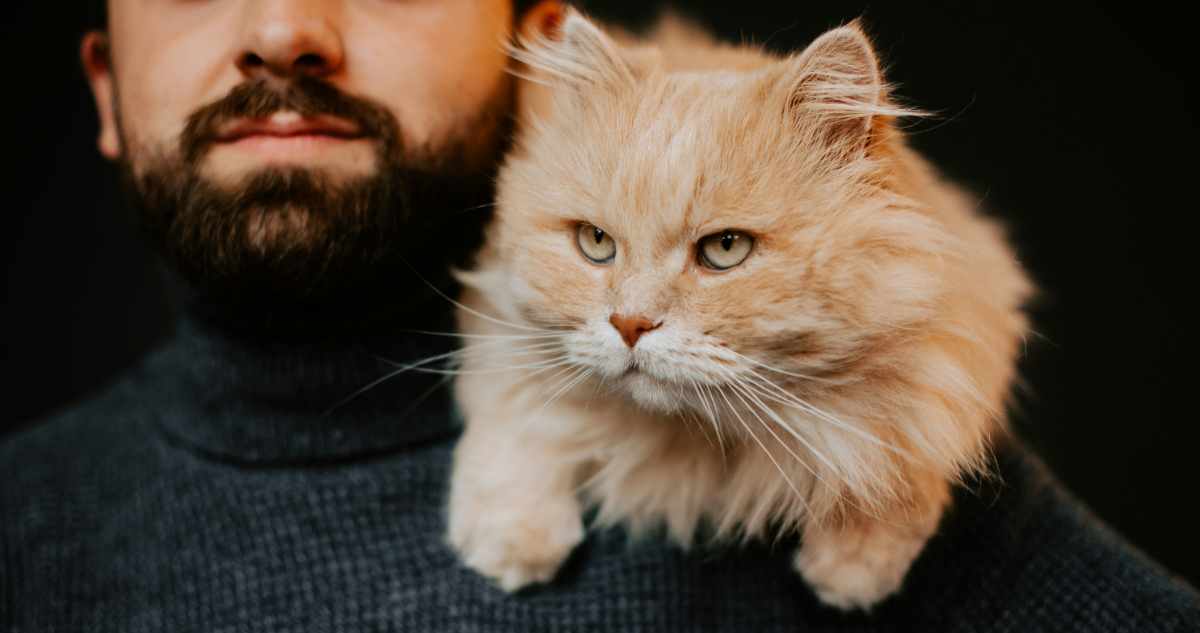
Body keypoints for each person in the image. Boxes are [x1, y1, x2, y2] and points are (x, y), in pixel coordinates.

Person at [1, 0, 1196, 630]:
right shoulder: (24, 530)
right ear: (103, 86)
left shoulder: (958, 528)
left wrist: (905, 462)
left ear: (531, 58)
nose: (281, 25)